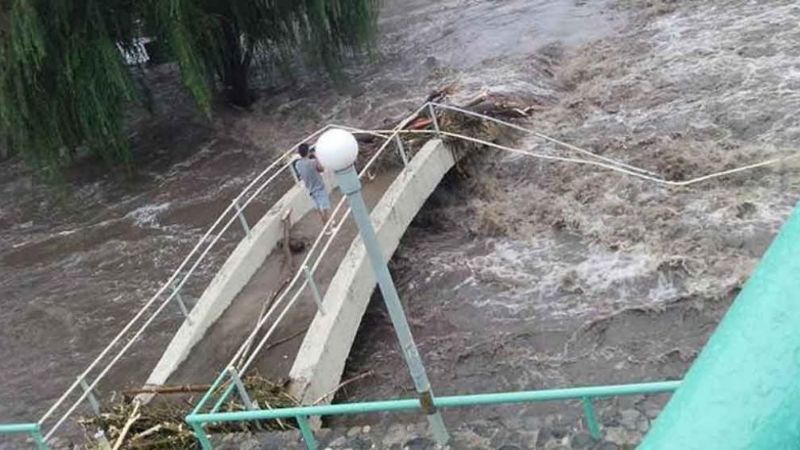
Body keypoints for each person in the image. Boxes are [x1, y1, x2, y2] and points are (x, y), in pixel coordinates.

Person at [295, 143, 332, 229]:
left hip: (311, 189)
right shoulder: (313, 162)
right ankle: (327, 226)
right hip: (319, 187)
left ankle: (326, 224)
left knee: (319, 207)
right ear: (308, 151)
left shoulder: (298, 164)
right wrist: (316, 157)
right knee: (324, 208)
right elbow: (321, 169)